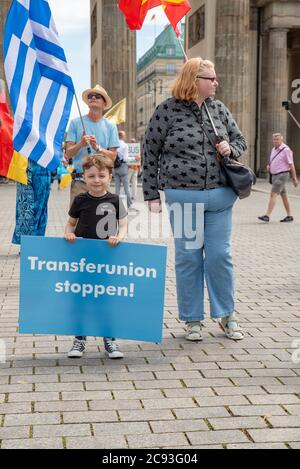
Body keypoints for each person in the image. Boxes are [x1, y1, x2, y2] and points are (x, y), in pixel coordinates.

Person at [143, 57, 247, 342]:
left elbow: (241, 141)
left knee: (220, 256)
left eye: (215, 78)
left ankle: (227, 315)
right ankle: (192, 320)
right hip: (183, 196)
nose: (216, 82)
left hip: (220, 195)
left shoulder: (219, 109)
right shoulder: (167, 110)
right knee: (189, 258)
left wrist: (231, 147)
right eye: (210, 78)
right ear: (194, 81)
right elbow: (149, 152)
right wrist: (151, 193)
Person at [64, 154, 128, 359]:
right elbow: (71, 223)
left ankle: (109, 339)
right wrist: (68, 234)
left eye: (101, 175)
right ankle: (79, 339)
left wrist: (119, 236)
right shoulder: (80, 200)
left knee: (105, 299)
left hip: (106, 258)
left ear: (110, 176)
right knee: (82, 298)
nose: (97, 180)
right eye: (91, 176)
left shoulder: (115, 200)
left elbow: (124, 223)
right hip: (83, 258)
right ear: (84, 177)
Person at [65, 85, 120, 204]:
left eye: (97, 96)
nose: (93, 98)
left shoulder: (111, 126)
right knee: (79, 221)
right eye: (90, 96)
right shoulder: (75, 123)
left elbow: (113, 156)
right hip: (80, 182)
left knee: (103, 221)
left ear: (104, 104)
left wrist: (98, 148)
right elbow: (68, 153)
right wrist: (81, 144)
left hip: (102, 182)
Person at [258, 133, 298, 223]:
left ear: (281, 140)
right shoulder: (273, 149)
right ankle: (289, 216)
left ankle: (267, 215)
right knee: (284, 195)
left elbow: (291, 164)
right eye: (274, 139)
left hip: (282, 175)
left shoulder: (286, 150)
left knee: (273, 194)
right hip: (275, 175)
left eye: (278, 139)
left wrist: (294, 178)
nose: (276, 141)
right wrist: (269, 166)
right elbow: (274, 160)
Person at [12, 160, 51, 245]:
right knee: (25, 208)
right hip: (26, 168)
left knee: (41, 208)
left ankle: (37, 241)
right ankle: (26, 243)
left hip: (43, 168)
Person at [113, 130, 133, 210]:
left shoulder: (114, 145)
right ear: (123, 136)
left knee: (117, 188)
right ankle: (129, 204)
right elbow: (125, 158)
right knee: (126, 187)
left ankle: (116, 205)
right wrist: (134, 158)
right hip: (123, 167)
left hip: (115, 167)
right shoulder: (125, 145)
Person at [128, 138, 141, 202]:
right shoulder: (137, 149)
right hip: (135, 168)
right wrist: (139, 169)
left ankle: (128, 195)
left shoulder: (128, 149)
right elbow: (139, 159)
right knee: (134, 183)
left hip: (129, 167)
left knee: (127, 182)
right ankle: (134, 196)